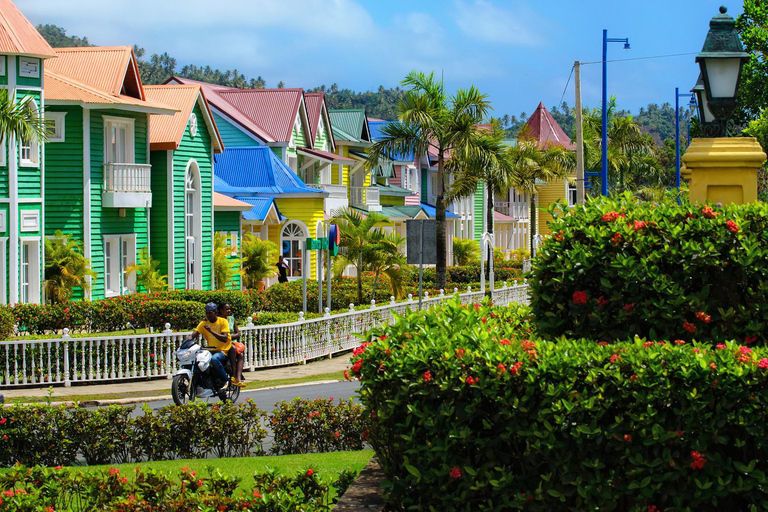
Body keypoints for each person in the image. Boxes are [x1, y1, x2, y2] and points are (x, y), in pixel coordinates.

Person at [187, 302, 231, 393]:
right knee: (198, 361)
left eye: (210, 313)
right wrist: (186, 342)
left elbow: (224, 338)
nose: (208, 315)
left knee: (215, 359)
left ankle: (225, 380)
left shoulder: (223, 321)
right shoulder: (204, 323)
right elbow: (193, 334)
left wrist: (210, 331)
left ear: (215, 312)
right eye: (206, 312)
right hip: (210, 349)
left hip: (222, 350)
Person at [219, 303, 245, 387]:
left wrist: (229, 337)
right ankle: (233, 373)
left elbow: (237, 334)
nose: (228, 311)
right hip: (222, 343)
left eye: (229, 309)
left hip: (232, 341)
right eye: (226, 309)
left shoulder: (231, 319)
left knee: (240, 354)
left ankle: (238, 377)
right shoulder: (218, 320)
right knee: (233, 348)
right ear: (221, 311)